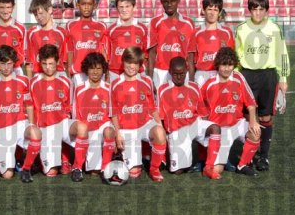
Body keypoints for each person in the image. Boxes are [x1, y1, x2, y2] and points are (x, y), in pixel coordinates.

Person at [235, 0, 290, 171]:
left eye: (261, 9)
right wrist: (236, 77)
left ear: (266, 10)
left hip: (268, 76)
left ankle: (263, 156)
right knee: (247, 116)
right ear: (249, 10)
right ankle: (248, 155)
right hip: (247, 75)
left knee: (265, 116)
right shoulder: (242, 29)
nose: (257, 12)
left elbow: (281, 54)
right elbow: (236, 55)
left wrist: (283, 78)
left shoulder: (274, 29)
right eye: (254, 9)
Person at [0, 45, 42, 183]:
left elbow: (29, 105)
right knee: (7, 175)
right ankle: (2, 159)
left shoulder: (23, 80)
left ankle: (26, 169)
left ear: (14, 63)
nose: (6, 67)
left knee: (36, 133)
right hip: (0, 128)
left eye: (9, 63)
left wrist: (31, 125)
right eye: (3, 63)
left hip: (20, 124)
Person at [30, 44, 89, 182]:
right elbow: (30, 110)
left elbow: (71, 109)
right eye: (44, 64)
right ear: (40, 63)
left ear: (57, 62)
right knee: (51, 173)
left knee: (82, 127)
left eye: (51, 63)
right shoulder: (33, 82)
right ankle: (41, 158)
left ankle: (76, 167)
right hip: (45, 127)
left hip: (62, 124)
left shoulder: (67, 82)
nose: (48, 67)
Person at [201, 47, 261, 177]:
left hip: (237, 124)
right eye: (224, 64)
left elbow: (251, 104)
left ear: (234, 65)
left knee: (256, 132)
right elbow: (200, 106)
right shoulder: (209, 84)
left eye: (230, 65)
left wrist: (253, 122)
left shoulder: (238, 78)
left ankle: (242, 165)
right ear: (217, 65)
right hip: (220, 130)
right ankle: (217, 157)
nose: (227, 68)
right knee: (217, 170)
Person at [158, 57, 221, 179]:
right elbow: (160, 118)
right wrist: (166, 138)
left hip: (194, 124)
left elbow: (203, 112)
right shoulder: (163, 90)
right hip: (177, 130)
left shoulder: (194, 87)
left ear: (187, 70)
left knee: (215, 128)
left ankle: (208, 167)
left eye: (182, 74)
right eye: (175, 74)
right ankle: (175, 158)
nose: (179, 77)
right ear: (170, 72)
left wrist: (205, 131)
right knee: (178, 171)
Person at [110, 46, 166, 182]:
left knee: (159, 132)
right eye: (128, 62)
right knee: (134, 173)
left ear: (140, 65)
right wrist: (117, 133)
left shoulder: (146, 81)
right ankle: (123, 158)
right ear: (123, 62)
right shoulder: (115, 83)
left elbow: (152, 108)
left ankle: (154, 169)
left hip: (145, 124)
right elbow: (114, 113)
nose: (131, 66)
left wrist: (161, 128)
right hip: (127, 129)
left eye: (135, 63)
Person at [73, 52, 115, 174]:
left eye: (98, 68)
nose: (95, 72)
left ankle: (105, 169)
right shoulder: (79, 90)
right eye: (92, 68)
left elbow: (113, 114)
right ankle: (78, 166)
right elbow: (76, 116)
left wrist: (115, 134)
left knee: (109, 131)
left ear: (103, 70)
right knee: (93, 172)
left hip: (103, 126)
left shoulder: (108, 88)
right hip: (88, 129)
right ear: (86, 69)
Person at [148, 0, 195, 90]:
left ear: (178, 1)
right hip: (160, 71)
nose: (169, 4)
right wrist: (150, 79)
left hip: (182, 73)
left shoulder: (189, 23)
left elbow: (190, 56)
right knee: (160, 105)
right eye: (165, 2)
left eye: (172, 1)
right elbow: (151, 54)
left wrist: (191, 81)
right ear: (161, 2)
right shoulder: (155, 22)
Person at [189, 0, 234, 87]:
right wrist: (191, 80)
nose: (212, 13)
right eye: (209, 9)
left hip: (220, 74)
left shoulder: (227, 32)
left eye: (215, 10)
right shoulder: (196, 33)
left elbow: (231, 58)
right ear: (203, 10)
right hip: (202, 75)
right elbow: (191, 59)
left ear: (220, 12)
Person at [66, 0, 106, 86]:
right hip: (78, 72)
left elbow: (104, 51)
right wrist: (69, 70)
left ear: (94, 5)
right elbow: (70, 50)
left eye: (89, 4)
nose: (86, 7)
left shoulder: (101, 26)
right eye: (83, 4)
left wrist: (105, 71)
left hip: (96, 72)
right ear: (78, 5)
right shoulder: (70, 25)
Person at [105, 0, 148, 82]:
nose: (124, 10)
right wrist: (107, 74)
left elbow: (146, 54)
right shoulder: (111, 29)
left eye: (127, 6)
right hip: (115, 73)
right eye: (121, 7)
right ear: (116, 8)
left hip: (137, 73)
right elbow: (107, 55)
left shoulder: (143, 29)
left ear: (134, 7)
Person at [25, 0, 68, 78]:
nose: (39, 17)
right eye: (36, 15)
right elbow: (29, 62)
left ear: (50, 10)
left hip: (58, 74)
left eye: (41, 13)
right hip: (39, 75)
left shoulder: (62, 32)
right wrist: (30, 82)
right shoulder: (31, 32)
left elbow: (65, 61)